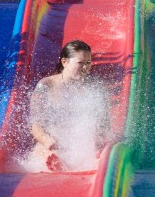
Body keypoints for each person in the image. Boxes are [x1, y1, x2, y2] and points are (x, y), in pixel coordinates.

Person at [28, 40, 111, 172]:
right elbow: (35, 125)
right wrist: (47, 140)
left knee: (103, 153)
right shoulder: (46, 85)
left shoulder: (94, 89)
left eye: (88, 63)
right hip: (52, 144)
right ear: (65, 62)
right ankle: (55, 161)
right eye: (80, 63)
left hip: (81, 147)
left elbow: (104, 124)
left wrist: (98, 141)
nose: (85, 67)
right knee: (44, 151)